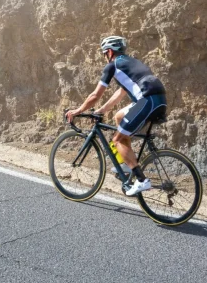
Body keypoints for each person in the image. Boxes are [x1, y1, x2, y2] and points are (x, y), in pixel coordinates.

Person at [65, 36, 167, 196]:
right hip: (158, 100)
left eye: (104, 54)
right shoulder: (130, 63)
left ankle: (141, 180)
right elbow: (120, 93)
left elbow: (95, 95)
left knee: (117, 139)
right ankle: (128, 164)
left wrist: (77, 111)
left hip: (147, 101)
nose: (105, 57)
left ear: (109, 52)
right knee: (119, 117)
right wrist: (100, 111)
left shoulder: (113, 66)